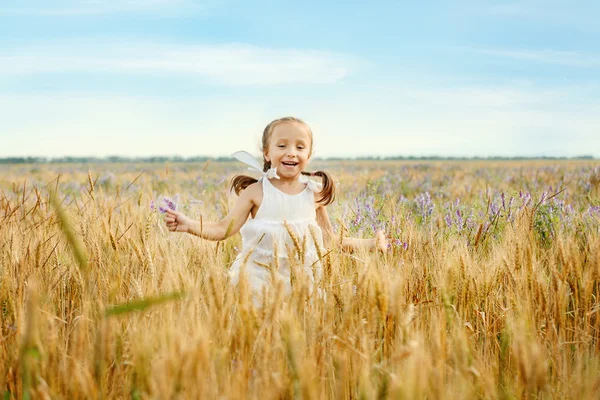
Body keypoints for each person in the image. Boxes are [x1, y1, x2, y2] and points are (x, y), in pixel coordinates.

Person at [164, 116, 387, 300]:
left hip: (301, 283)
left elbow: (329, 241)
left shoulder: (313, 194)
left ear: (308, 155)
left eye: (300, 147)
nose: (291, 152)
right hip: (257, 281)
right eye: (282, 145)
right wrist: (189, 224)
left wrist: (371, 244)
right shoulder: (256, 192)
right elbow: (223, 229)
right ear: (267, 153)